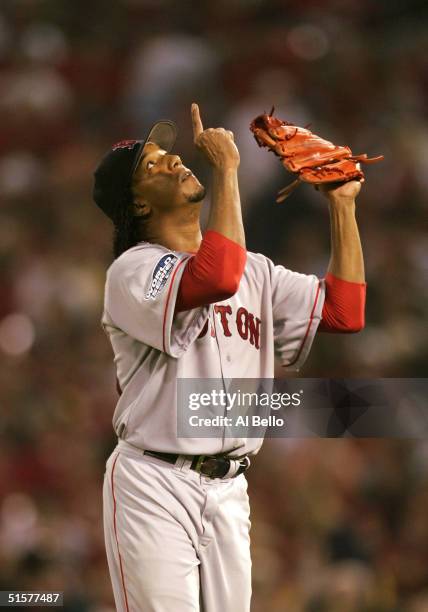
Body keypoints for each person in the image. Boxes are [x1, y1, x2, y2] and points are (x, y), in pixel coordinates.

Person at [92, 103, 366, 612]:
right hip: (155, 481)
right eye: (152, 167)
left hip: (230, 488)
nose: (172, 161)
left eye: (167, 154)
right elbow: (216, 277)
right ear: (141, 207)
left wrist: (342, 206)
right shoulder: (133, 271)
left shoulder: (256, 271)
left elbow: (344, 311)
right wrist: (227, 170)